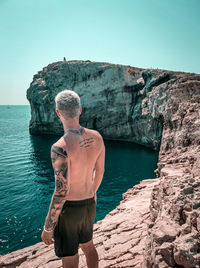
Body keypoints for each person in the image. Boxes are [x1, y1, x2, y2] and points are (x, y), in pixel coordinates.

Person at [41, 89, 105, 268]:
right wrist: (92, 192)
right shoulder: (97, 137)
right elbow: (100, 171)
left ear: (58, 113)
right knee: (89, 247)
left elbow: (61, 191)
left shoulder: (59, 147)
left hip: (69, 210)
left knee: (70, 257)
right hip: (89, 204)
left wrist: (48, 227)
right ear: (80, 110)